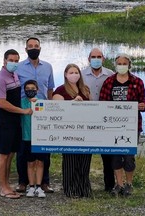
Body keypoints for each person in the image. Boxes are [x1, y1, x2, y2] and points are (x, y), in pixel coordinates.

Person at [99, 53, 145, 196]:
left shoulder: (137, 82)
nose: (121, 66)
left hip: (131, 126)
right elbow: (103, 103)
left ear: (129, 65)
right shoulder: (109, 81)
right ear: (115, 65)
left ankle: (129, 184)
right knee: (115, 156)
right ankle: (118, 184)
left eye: (124, 63)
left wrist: (141, 106)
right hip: (112, 126)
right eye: (119, 64)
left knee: (128, 156)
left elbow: (144, 105)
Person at [0, 49, 33, 199]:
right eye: (11, 61)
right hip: (4, 122)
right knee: (3, 155)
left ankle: (6, 184)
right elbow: (2, 103)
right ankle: (3, 187)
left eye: (16, 61)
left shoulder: (14, 75)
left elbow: (14, 97)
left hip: (15, 122)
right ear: (4, 61)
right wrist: (22, 111)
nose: (14, 63)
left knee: (11, 154)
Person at [16, 37, 55, 193]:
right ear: (26, 49)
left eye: (36, 46)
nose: (33, 48)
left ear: (40, 48)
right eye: (30, 46)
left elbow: (50, 89)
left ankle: (44, 182)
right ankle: (23, 182)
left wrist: (52, 109)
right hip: (25, 111)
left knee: (44, 149)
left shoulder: (48, 67)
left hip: (43, 112)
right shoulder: (18, 68)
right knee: (23, 149)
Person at [53, 63, 92, 198]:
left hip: (85, 130)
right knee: (70, 161)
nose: (74, 75)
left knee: (85, 160)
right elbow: (56, 108)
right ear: (65, 74)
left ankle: (84, 188)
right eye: (71, 72)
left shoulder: (85, 89)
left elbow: (93, 107)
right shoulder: (60, 90)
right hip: (68, 131)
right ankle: (70, 189)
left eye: (76, 72)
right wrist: (73, 103)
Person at [81, 48, 115, 192]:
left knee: (107, 154)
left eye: (99, 56)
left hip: (104, 118)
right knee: (84, 153)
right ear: (89, 59)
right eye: (93, 57)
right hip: (86, 117)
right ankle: (83, 185)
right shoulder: (81, 75)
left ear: (103, 58)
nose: (96, 59)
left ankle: (109, 185)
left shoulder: (111, 75)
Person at [21, 80, 47, 198]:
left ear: (37, 90)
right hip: (27, 137)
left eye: (33, 88)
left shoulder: (42, 103)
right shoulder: (21, 103)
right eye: (27, 88)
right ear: (24, 90)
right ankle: (31, 187)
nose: (30, 90)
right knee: (30, 163)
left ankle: (39, 186)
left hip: (41, 138)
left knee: (40, 162)